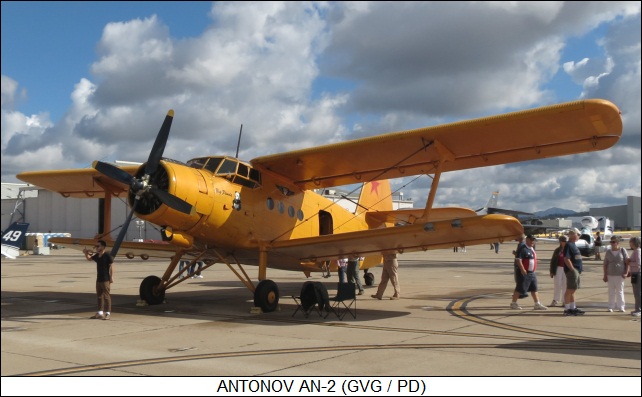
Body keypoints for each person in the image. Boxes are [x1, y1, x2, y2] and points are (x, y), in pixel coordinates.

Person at [510, 235, 547, 310]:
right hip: (525, 272)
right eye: (531, 240)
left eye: (534, 240)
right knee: (520, 288)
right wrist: (522, 269)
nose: (533, 242)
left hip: (532, 272)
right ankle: (513, 303)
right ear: (527, 240)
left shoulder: (531, 249)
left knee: (534, 288)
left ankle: (537, 303)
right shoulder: (523, 249)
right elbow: (518, 259)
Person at [83, 240, 114, 320]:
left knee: (107, 296)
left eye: (98, 246)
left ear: (103, 247)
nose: (96, 248)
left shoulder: (107, 255)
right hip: (98, 279)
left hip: (105, 279)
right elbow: (89, 259)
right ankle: (100, 312)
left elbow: (112, 266)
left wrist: (111, 277)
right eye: (96, 246)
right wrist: (86, 253)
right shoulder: (97, 256)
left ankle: (108, 313)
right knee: (99, 296)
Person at [602, 236, 628, 312]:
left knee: (620, 291)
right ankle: (611, 306)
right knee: (611, 291)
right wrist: (605, 275)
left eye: (613, 242)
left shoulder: (623, 250)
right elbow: (605, 264)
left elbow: (627, 262)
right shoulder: (608, 252)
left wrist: (626, 272)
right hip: (610, 274)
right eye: (611, 242)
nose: (612, 244)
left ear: (618, 243)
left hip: (620, 274)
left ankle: (621, 306)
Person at [563, 229, 585, 316]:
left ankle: (573, 307)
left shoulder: (573, 245)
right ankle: (567, 309)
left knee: (573, 290)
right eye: (578, 234)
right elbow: (566, 258)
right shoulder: (568, 245)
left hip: (576, 270)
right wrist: (572, 269)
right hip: (572, 270)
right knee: (569, 290)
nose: (579, 236)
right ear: (572, 235)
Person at [549, 235, 567, 307]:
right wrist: (551, 271)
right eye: (563, 241)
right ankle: (555, 300)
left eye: (566, 241)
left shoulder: (568, 249)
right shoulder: (557, 250)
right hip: (558, 268)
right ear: (560, 242)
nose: (565, 242)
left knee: (565, 285)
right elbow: (553, 261)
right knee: (557, 284)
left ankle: (564, 301)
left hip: (566, 269)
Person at [626, 236, 641, 317]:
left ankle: (639, 309)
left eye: (630, 242)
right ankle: (637, 308)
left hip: (638, 274)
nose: (630, 243)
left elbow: (638, 263)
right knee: (636, 292)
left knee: (638, 292)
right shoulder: (635, 251)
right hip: (635, 274)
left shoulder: (638, 251)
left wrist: (629, 263)